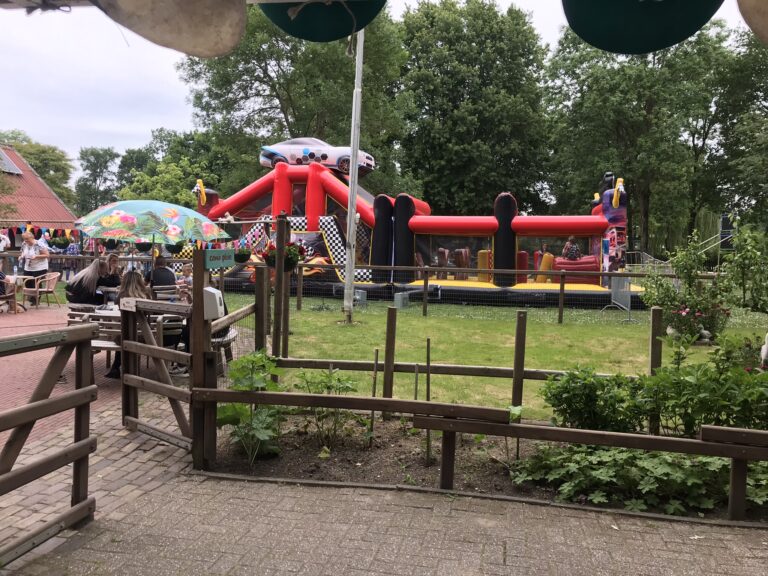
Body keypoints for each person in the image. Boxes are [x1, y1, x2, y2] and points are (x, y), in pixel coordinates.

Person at [105, 270, 152, 379]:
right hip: (146, 335)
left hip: (128, 335)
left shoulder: (122, 296)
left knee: (122, 336)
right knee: (126, 336)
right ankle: (119, 368)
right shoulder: (147, 295)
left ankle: (116, 368)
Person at [19, 231, 49, 305]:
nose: (26, 241)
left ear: (32, 237)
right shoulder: (24, 244)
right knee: (27, 282)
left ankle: (36, 300)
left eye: (27, 239)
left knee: (36, 283)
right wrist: (21, 256)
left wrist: (36, 256)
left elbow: (47, 255)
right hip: (28, 266)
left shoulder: (39, 244)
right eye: (24, 239)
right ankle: (31, 297)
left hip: (40, 267)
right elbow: (23, 252)